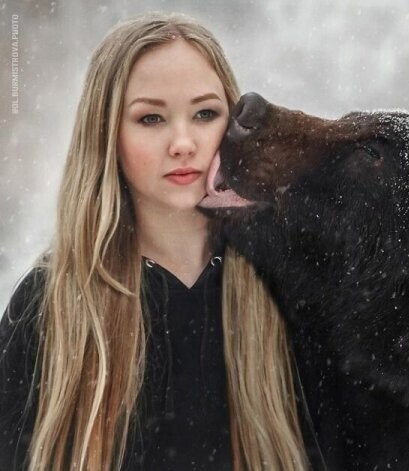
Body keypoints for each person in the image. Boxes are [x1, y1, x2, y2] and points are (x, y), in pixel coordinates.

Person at [0, 12, 314, 471]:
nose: (183, 142)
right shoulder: (51, 306)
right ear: (107, 135)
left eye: (205, 113)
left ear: (234, 126)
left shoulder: (286, 288)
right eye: (151, 118)